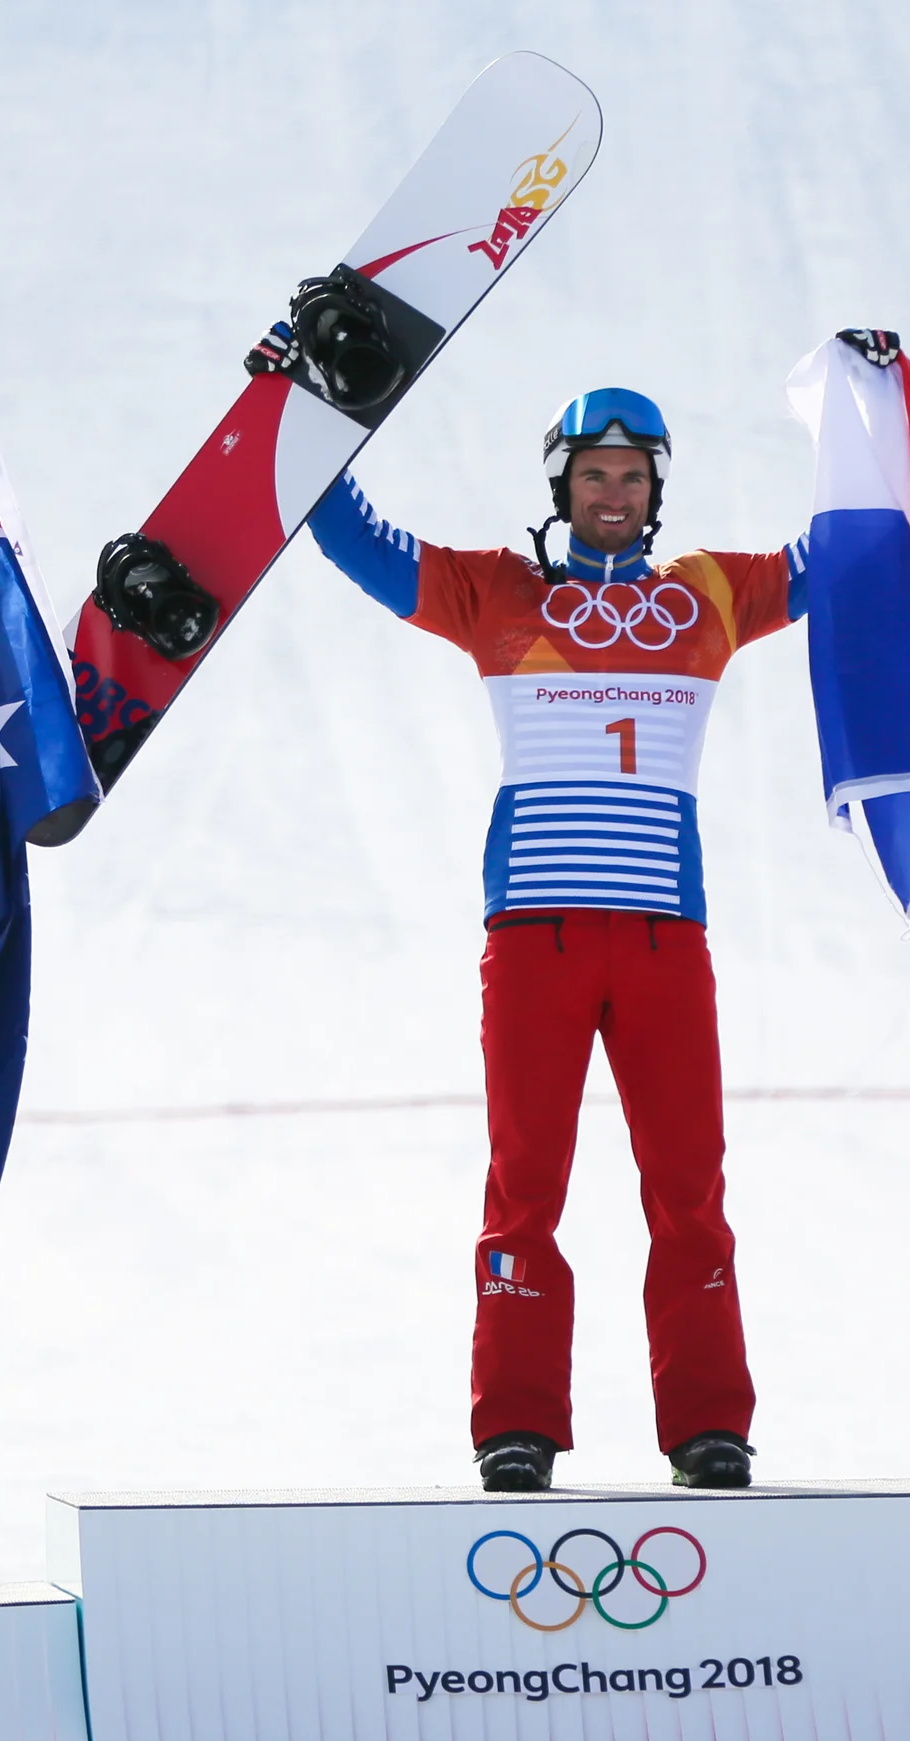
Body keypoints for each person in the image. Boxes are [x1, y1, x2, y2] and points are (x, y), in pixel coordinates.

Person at [307, 386, 812, 1493]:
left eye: (633, 478)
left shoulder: (711, 595)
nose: (614, 496)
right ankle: (516, 1427)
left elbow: (847, 550)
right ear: (561, 485)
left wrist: (876, 408)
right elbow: (337, 524)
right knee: (525, 1187)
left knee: (689, 1189)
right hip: (532, 937)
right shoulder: (496, 589)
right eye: (595, 476)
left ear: (658, 488)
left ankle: (708, 1428)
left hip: (664, 939)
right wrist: (310, 397)